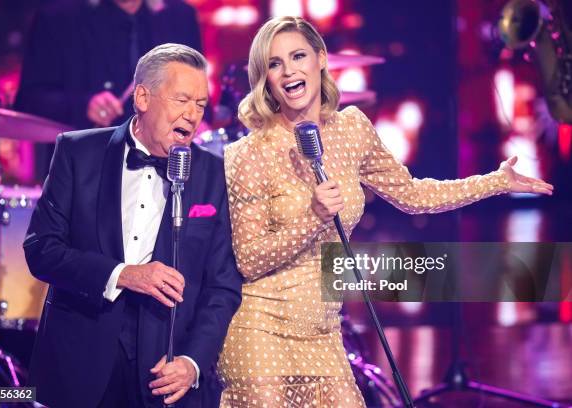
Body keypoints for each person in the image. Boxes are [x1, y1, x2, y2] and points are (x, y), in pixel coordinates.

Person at [217, 16, 554, 407]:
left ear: (321, 59)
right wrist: (312, 217)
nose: (289, 70)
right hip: (261, 333)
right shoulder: (247, 153)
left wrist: (495, 181)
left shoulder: (351, 128)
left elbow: (412, 195)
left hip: (324, 334)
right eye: (275, 63)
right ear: (265, 77)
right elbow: (249, 259)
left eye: (298, 56)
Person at [24, 43, 242, 408]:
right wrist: (122, 274)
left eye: (201, 104)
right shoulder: (77, 153)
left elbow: (222, 286)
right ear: (142, 97)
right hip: (80, 364)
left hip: (165, 373)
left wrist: (192, 361)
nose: (193, 115)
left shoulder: (213, 175)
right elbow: (41, 250)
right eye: (182, 100)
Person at [14, 0, 203, 179]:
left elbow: (200, 98)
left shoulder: (180, 17)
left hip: (166, 178)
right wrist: (83, 106)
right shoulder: (59, 19)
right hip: (87, 178)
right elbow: (28, 102)